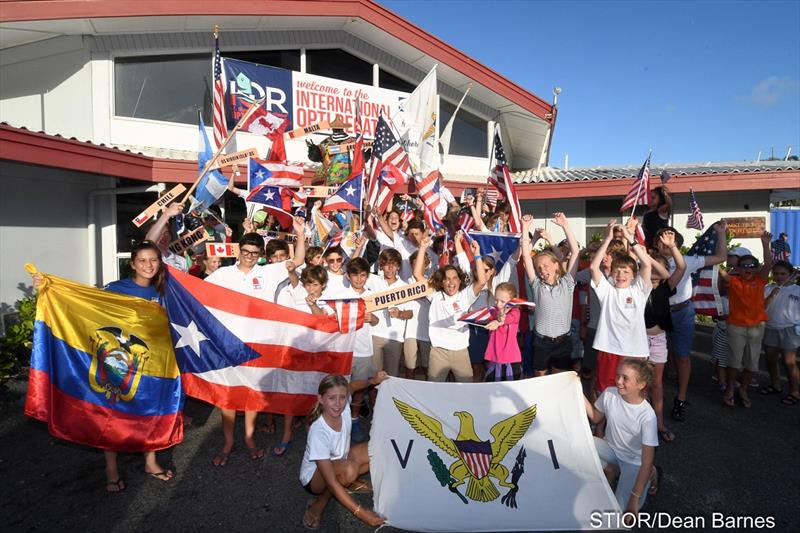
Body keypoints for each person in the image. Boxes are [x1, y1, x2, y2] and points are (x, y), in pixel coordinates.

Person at [32, 240, 176, 492]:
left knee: (151, 408)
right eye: (141, 260)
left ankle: (150, 462)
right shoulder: (115, 288)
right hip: (119, 363)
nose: (148, 265)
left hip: (156, 364)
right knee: (113, 413)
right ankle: (112, 470)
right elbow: (85, 305)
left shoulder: (168, 290)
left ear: (160, 262)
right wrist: (49, 288)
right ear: (132, 263)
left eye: (153, 260)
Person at [204, 217, 306, 466]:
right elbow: (197, 292)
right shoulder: (222, 274)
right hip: (229, 342)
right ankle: (228, 441)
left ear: (261, 254)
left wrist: (301, 234)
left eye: (255, 253)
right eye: (246, 251)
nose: (250, 256)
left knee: (250, 392)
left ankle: (249, 438)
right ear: (239, 250)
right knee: (228, 394)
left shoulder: (268, 272)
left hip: (258, 343)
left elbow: (299, 260)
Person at [654, 222, 728, 421]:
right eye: (661, 238)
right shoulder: (651, 261)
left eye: (670, 237)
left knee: (683, 356)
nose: (666, 241)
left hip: (682, 311)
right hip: (657, 312)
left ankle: (681, 398)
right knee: (655, 355)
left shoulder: (689, 260)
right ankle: (651, 395)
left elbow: (721, 257)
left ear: (677, 241)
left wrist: (721, 233)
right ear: (656, 244)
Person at [300, 373, 388, 529]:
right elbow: (331, 482)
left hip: (342, 460)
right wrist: (361, 513)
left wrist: (372, 381)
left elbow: (352, 386)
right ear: (321, 399)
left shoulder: (344, 405)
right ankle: (318, 505)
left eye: (342, 397)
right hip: (314, 478)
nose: (338, 404)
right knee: (348, 471)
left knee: (378, 449)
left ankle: (348, 481)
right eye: (331, 398)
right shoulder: (318, 432)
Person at [584, 358, 659, 514]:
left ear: (641, 385)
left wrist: (634, 498)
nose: (618, 381)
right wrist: (577, 392)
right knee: (578, 441)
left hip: (634, 461)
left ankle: (651, 473)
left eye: (625, 378)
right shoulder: (610, 393)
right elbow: (596, 417)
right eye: (618, 375)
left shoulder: (647, 416)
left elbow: (646, 460)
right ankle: (610, 470)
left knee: (620, 515)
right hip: (610, 449)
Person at [412, 233, 487, 382]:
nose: (450, 283)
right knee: (435, 393)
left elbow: (482, 281)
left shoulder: (465, 295)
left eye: (454, 278)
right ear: (441, 282)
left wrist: (477, 254)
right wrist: (422, 248)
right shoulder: (435, 294)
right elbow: (417, 275)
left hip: (461, 352)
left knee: (466, 391)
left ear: (460, 281)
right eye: (446, 279)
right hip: (438, 352)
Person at [590, 221, 653, 393]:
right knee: (606, 390)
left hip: (634, 350)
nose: (620, 275)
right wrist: (609, 237)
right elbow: (593, 267)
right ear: (611, 273)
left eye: (625, 271)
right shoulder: (607, 291)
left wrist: (630, 239)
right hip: (608, 348)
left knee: (634, 392)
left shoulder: (639, 291)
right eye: (617, 271)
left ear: (634, 275)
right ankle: (603, 420)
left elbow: (646, 264)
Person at [520, 213, 580, 376]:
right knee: (541, 379)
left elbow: (575, 252)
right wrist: (525, 228)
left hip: (563, 341)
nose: (542, 270)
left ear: (556, 265)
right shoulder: (537, 285)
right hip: (541, 342)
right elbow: (526, 256)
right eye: (538, 268)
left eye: (546, 266)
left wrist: (565, 225)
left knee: (558, 378)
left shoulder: (567, 283)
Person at [720, 232, 772, 408]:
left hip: (757, 327)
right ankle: (729, 388)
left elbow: (769, 264)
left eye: (752, 266)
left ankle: (743, 389)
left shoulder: (760, 279)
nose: (748, 268)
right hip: (736, 327)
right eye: (744, 266)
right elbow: (718, 269)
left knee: (752, 363)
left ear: (756, 268)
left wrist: (765, 244)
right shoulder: (734, 281)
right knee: (734, 362)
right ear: (739, 268)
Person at [644, 231, 685, 443]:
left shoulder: (667, 287)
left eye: (658, 266)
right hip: (638, 341)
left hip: (658, 340)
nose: (653, 270)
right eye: (649, 265)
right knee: (640, 383)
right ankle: (640, 423)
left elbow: (681, 267)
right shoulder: (637, 286)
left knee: (657, 384)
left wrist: (672, 246)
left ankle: (659, 422)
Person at [368, 249, 413, 377]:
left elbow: (410, 313)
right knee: (373, 376)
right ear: (381, 265)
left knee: (391, 377)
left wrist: (399, 314)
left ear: (398, 266)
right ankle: (374, 398)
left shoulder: (405, 287)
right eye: (386, 264)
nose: (390, 268)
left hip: (394, 338)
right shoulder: (373, 280)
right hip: (374, 334)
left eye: (393, 264)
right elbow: (353, 268)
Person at [762, 261, 800, 405]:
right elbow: (761, 308)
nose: (779, 277)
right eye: (776, 273)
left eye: (783, 274)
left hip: (790, 329)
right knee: (771, 359)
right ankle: (775, 385)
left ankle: (795, 391)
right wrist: (771, 295)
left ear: (790, 274)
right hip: (770, 327)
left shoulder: (797, 290)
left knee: (789, 362)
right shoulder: (768, 288)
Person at [484, 282, 522, 381]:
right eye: (496, 300)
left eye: (502, 301)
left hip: (510, 359)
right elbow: (488, 316)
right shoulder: (493, 311)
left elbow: (508, 319)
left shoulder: (515, 312)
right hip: (494, 358)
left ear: (512, 302)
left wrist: (498, 322)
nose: (498, 304)